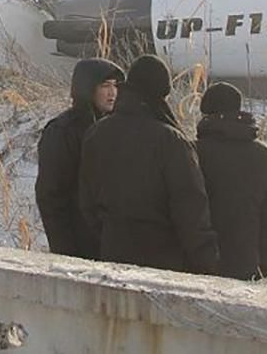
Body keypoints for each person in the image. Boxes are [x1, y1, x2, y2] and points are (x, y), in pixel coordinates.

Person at [79, 54, 218, 274]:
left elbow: (87, 201)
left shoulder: (97, 133)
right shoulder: (171, 141)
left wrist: (108, 235)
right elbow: (191, 209)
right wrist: (206, 263)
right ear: (161, 93)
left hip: (112, 253)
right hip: (163, 259)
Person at [35, 58, 125, 259]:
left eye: (115, 86)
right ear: (88, 88)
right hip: (79, 241)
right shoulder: (63, 131)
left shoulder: (115, 127)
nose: (112, 93)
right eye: (105, 86)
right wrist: (65, 250)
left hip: (112, 242)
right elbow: (51, 195)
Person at [196, 82, 267, 280]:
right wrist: (262, 264)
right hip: (245, 265)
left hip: (195, 264)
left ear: (206, 114)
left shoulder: (192, 154)